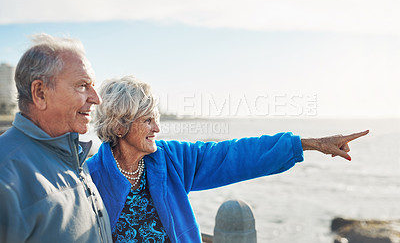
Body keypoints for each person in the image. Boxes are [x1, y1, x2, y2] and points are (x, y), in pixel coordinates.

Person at [86, 75, 369, 243]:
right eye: (147, 120)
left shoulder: (170, 160)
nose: (157, 128)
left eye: (156, 119)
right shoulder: (88, 178)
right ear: (120, 125)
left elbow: (233, 155)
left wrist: (311, 144)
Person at [0, 34, 113, 242]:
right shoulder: (6, 177)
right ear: (40, 93)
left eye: (93, 85)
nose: (96, 99)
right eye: (82, 85)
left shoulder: (73, 157)